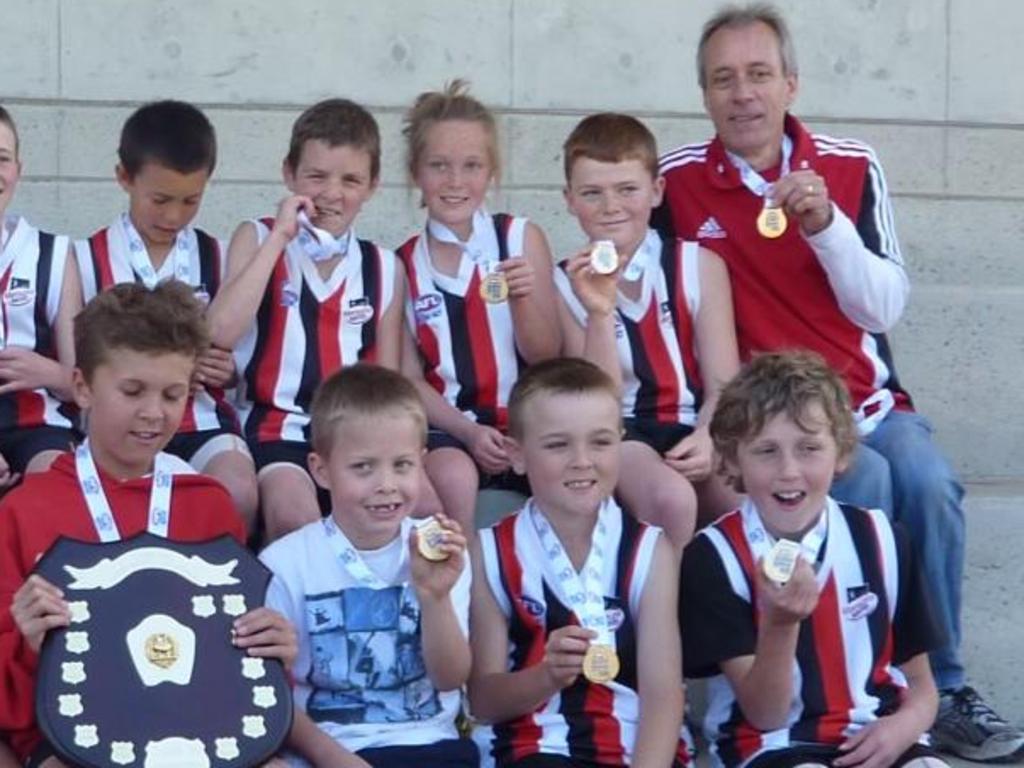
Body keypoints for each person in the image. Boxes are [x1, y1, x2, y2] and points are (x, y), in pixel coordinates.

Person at [654, 4, 1022, 760]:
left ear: (791, 83)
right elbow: (657, 302)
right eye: (724, 79)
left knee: (923, 479)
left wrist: (825, 227)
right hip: (764, 415)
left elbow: (883, 304)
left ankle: (940, 688)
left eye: (759, 75)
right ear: (704, 95)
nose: (743, 94)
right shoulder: (679, 182)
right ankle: (842, 690)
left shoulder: (850, 164)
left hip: (864, 401)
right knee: (868, 484)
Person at [0, 282, 297, 766]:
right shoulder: (24, 510)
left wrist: (270, 651)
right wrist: (31, 645)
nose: (153, 412)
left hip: (198, 738)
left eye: (173, 394)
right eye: (132, 390)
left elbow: (236, 670)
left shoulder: (209, 506)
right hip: (76, 746)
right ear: (82, 387)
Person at [681, 350, 948, 768]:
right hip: (771, 746)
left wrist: (904, 726)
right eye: (766, 451)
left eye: (809, 448)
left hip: (878, 737)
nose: (789, 470)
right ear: (732, 459)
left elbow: (921, 685)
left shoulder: (883, 539)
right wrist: (781, 624)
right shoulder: (714, 556)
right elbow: (766, 714)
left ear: (841, 452)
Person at [470, 358, 686, 768]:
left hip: (635, 746)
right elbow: (483, 699)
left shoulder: (650, 550)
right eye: (557, 444)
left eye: (600, 442)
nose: (582, 460)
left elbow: (663, 694)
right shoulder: (490, 552)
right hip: (534, 746)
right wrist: (545, 676)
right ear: (516, 454)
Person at [208, 99, 405, 542]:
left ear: (372, 186)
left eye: (350, 179)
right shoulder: (258, 236)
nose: (332, 193)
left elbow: (386, 381)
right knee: (295, 519)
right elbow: (219, 332)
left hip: (354, 433)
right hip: (273, 425)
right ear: (289, 174)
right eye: (317, 176)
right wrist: (280, 237)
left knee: (425, 511)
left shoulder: (383, 266)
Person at [260, 363, 476, 768]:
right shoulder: (283, 564)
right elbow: (273, 696)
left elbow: (451, 678)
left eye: (402, 465)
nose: (386, 484)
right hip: (332, 750)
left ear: (422, 462)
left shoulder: (441, 550)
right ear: (321, 470)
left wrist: (435, 597)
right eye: (363, 467)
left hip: (430, 745)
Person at [556, 112, 740, 551]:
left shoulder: (698, 265)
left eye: (627, 189)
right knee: (671, 500)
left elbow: (724, 382)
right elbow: (597, 400)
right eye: (592, 193)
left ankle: (725, 612)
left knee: (746, 500)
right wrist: (599, 311)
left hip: (695, 424)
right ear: (569, 200)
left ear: (656, 191)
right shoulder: (561, 282)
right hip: (620, 433)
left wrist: (709, 437)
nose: (611, 206)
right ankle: (664, 617)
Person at [73, 100, 258, 532]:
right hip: (115, 424)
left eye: (191, 200)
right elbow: (76, 357)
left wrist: (229, 369)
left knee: (238, 491)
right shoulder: (84, 257)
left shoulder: (221, 254)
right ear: (124, 177)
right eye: (159, 199)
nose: (174, 215)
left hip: (204, 421)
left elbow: (250, 357)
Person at [397, 80, 561, 533]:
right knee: (454, 477)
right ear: (416, 173)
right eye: (439, 166)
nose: (455, 182)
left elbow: (547, 355)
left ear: (492, 172)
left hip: (525, 420)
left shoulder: (519, 238)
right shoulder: (403, 264)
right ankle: (461, 590)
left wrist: (525, 298)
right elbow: (408, 379)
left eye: (471, 166)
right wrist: (469, 432)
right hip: (449, 426)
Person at [0, 105, 80, 487]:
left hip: (36, 423)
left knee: (56, 482)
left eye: (2, 158)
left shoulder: (52, 253)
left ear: (19, 169)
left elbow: (84, 382)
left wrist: (51, 373)